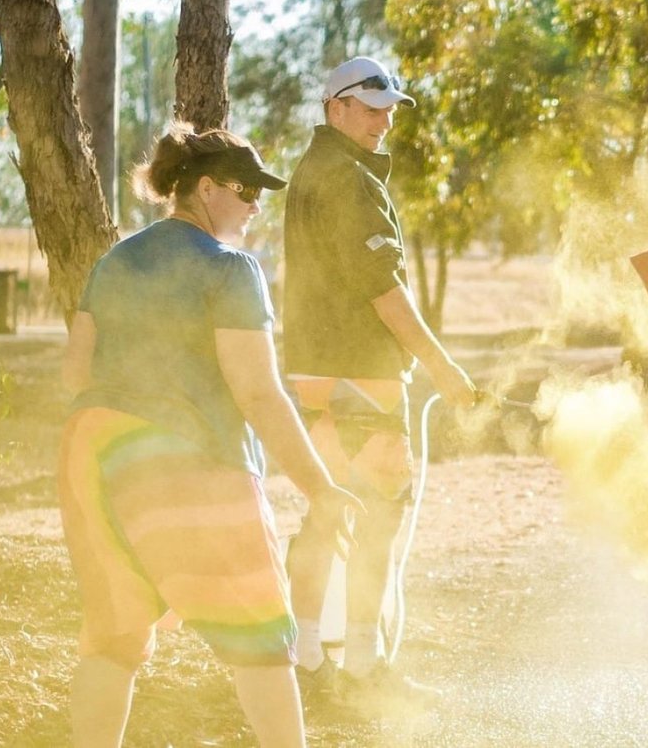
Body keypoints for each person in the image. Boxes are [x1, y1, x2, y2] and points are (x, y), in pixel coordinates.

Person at [59, 123, 362, 747]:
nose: (256, 204)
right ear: (204, 188)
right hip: (187, 459)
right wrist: (322, 489)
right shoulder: (229, 270)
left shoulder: (114, 261)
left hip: (94, 459)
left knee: (113, 641)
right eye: (246, 189)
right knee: (262, 642)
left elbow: (76, 375)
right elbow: (258, 394)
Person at [281, 55, 477, 709]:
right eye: (371, 109)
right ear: (335, 108)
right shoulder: (347, 178)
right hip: (356, 374)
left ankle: (310, 659)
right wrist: (444, 369)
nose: (384, 121)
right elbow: (383, 291)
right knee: (377, 515)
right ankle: (358, 665)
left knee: (328, 510)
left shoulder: (321, 169)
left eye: (389, 109)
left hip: (318, 369)